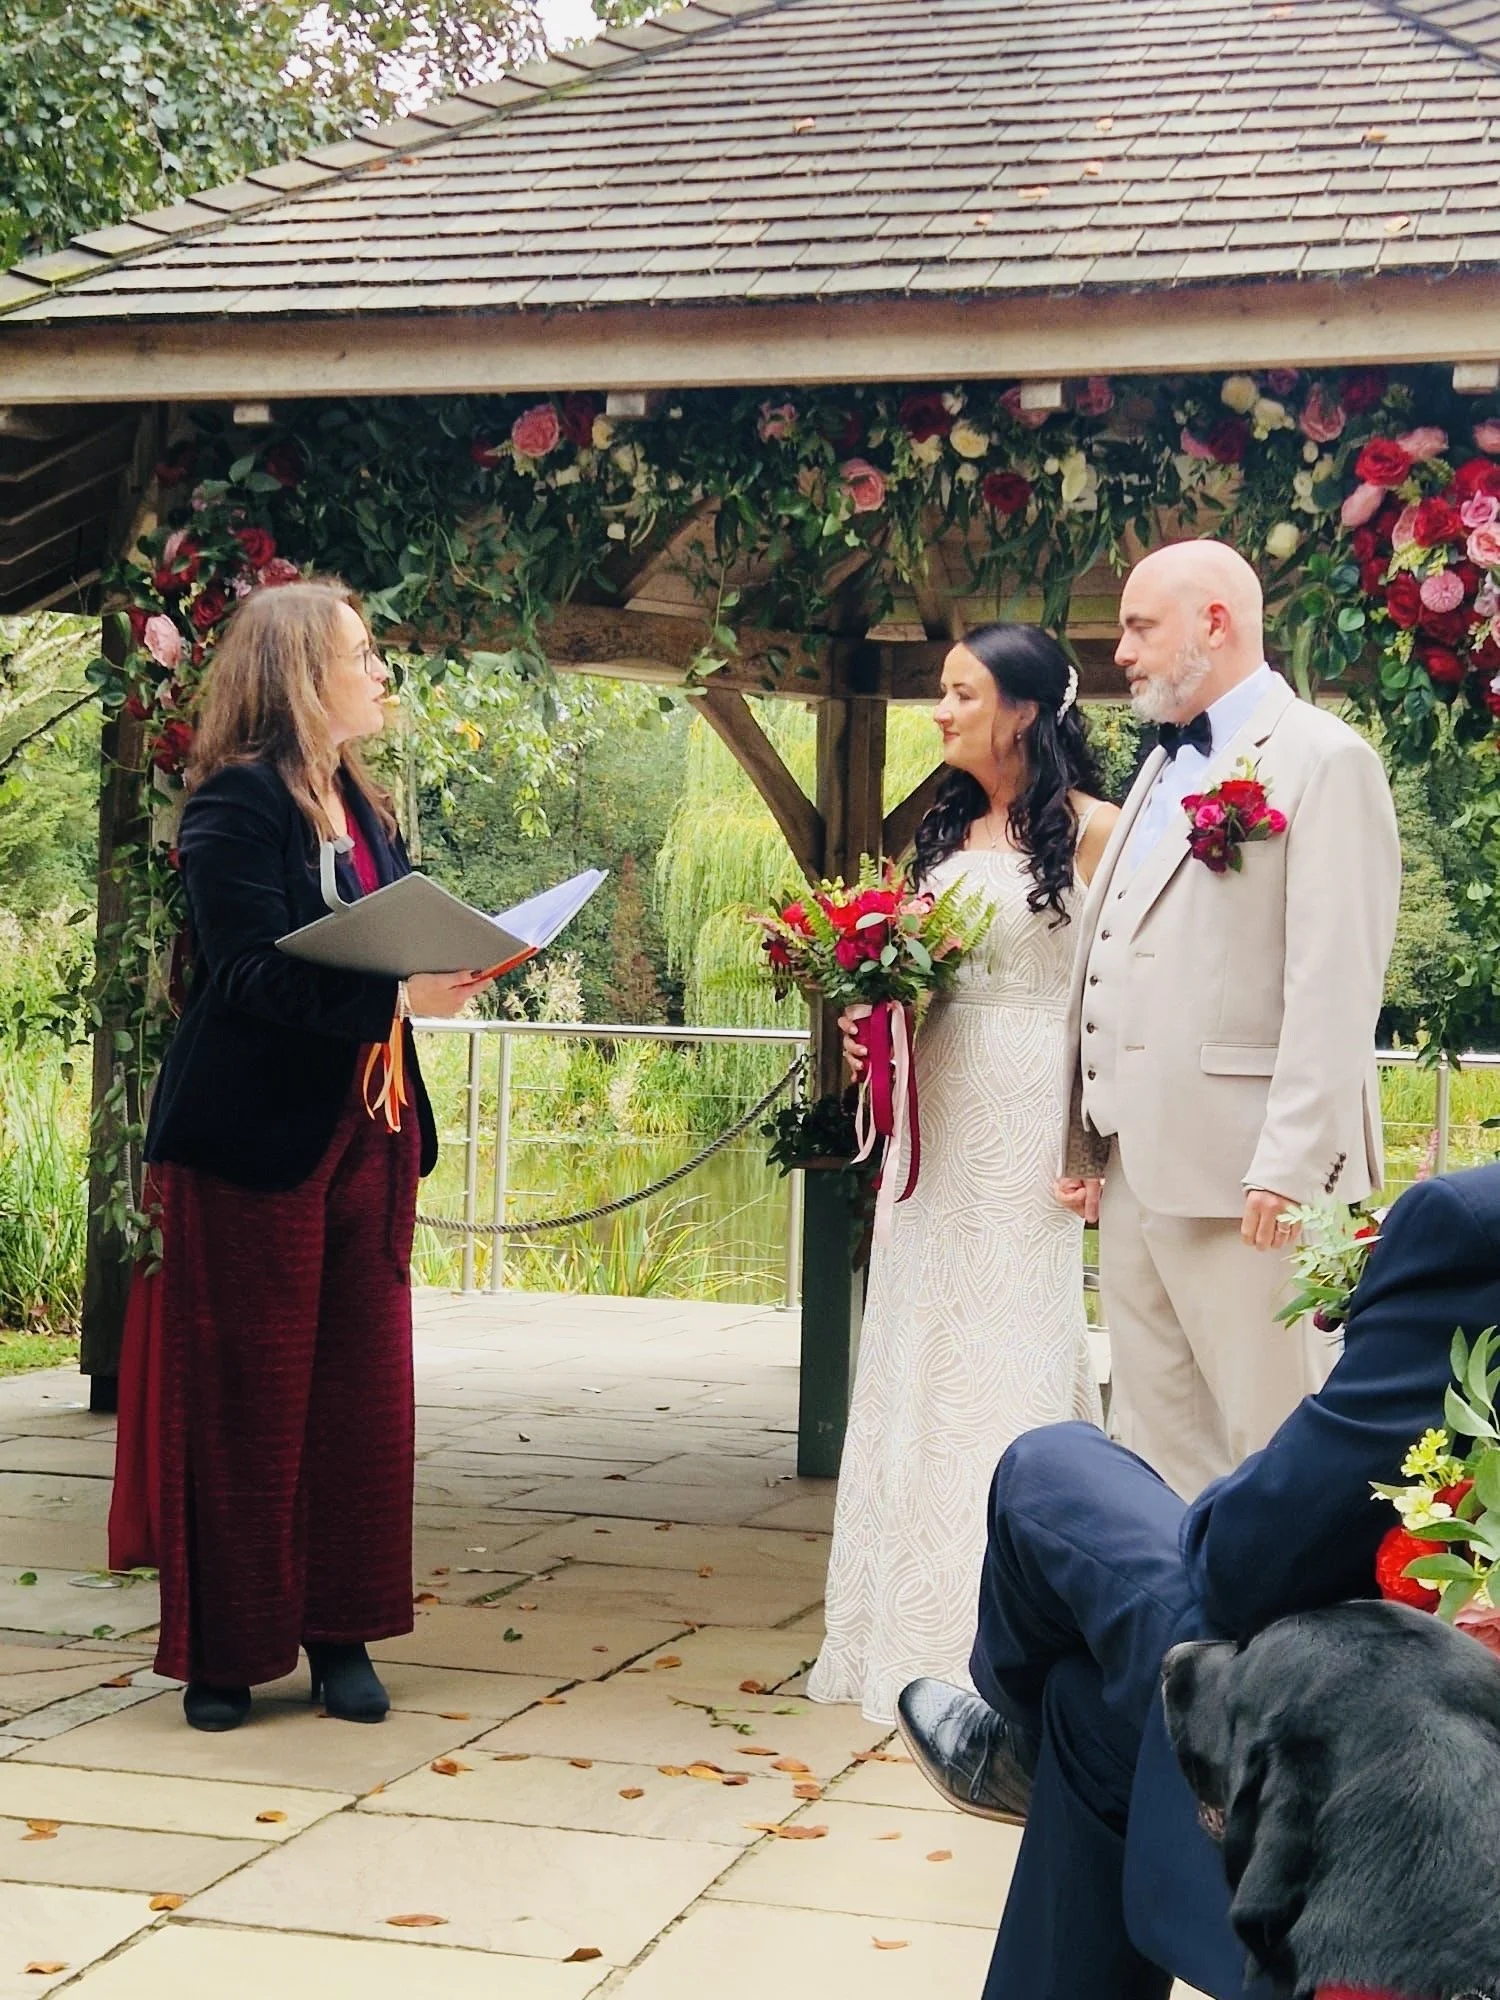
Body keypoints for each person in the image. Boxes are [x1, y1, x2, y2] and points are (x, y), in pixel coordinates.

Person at [895, 1161, 1500, 2000]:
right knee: (1092, 1711)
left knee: (1050, 1476)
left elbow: (1248, 1565)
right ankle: (1053, 1736)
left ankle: (1021, 1742)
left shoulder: (1476, 1228)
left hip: (1414, 1836)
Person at [109, 579, 491, 1732]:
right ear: (298, 674)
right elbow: (245, 973)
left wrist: (442, 978)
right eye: (362, 654)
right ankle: (225, 1652)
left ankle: (343, 1634)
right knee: (246, 1400)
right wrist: (396, 995)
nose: (380, 672)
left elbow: (382, 950)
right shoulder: (230, 804)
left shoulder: (364, 809)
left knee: (363, 1403)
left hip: (369, 1134)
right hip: (249, 1139)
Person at [806, 623, 1119, 1725]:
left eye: (958, 692)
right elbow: (923, 975)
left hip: (1031, 1113)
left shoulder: (1096, 834)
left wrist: (1096, 1143)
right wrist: (875, 1026)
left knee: (1012, 1344)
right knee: (920, 1344)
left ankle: (1006, 1635)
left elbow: (1120, 1000)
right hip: (930, 1119)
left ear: (1023, 710)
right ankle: (901, 1623)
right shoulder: (940, 829)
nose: (937, 712)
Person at [1056, 539, 1401, 1498]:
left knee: (1276, 1450)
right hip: (1135, 1171)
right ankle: (1184, 1647)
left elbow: (1334, 986)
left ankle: (1293, 1651)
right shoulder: (1160, 769)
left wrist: (1293, 1167)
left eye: (1138, 628)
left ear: (1216, 622)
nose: (1119, 652)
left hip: (1252, 1180)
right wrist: (1088, 1146)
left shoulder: (1326, 761)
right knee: (1155, 1450)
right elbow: (1112, 953)